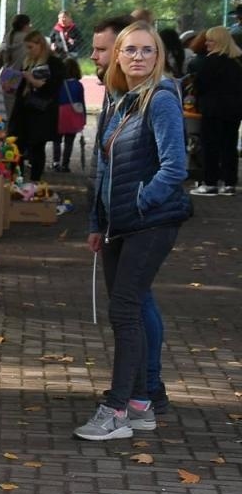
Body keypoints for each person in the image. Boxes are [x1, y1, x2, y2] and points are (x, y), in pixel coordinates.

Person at [77, 23, 192, 441]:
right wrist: (98, 221)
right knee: (129, 308)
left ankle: (117, 409)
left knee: (125, 311)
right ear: (119, 56)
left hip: (150, 222)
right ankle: (142, 402)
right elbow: (104, 167)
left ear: (157, 56)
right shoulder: (120, 100)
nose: (138, 57)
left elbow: (175, 167)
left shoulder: (160, 99)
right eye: (131, 50)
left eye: (147, 50)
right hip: (118, 225)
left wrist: (142, 201)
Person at [190, 26, 242, 195]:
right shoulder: (237, 62)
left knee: (210, 146)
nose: (206, 43)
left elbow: (199, 86)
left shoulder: (207, 62)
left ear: (218, 42)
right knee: (229, 146)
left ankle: (210, 182)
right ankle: (229, 183)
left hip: (212, 110)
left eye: (210, 40)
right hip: (234, 110)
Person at [9, 30, 64, 181]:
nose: (28, 51)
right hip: (23, 110)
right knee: (16, 144)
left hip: (41, 112)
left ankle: (35, 180)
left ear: (40, 45)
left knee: (36, 147)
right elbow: (21, 87)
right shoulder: (28, 61)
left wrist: (33, 81)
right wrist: (11, 86)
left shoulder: (54, 63)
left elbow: (52, 88)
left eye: (31, 47)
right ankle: (16, 177)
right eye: (27, 47)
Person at [52, 58, 87, 173]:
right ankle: (65, 164)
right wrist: (84, 118)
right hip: (73, 113)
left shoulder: (58, 84)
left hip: (59, 113)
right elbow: (82, 102)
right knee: (69, 141)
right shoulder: (78, 85)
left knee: (57, 140)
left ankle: (55, 162)